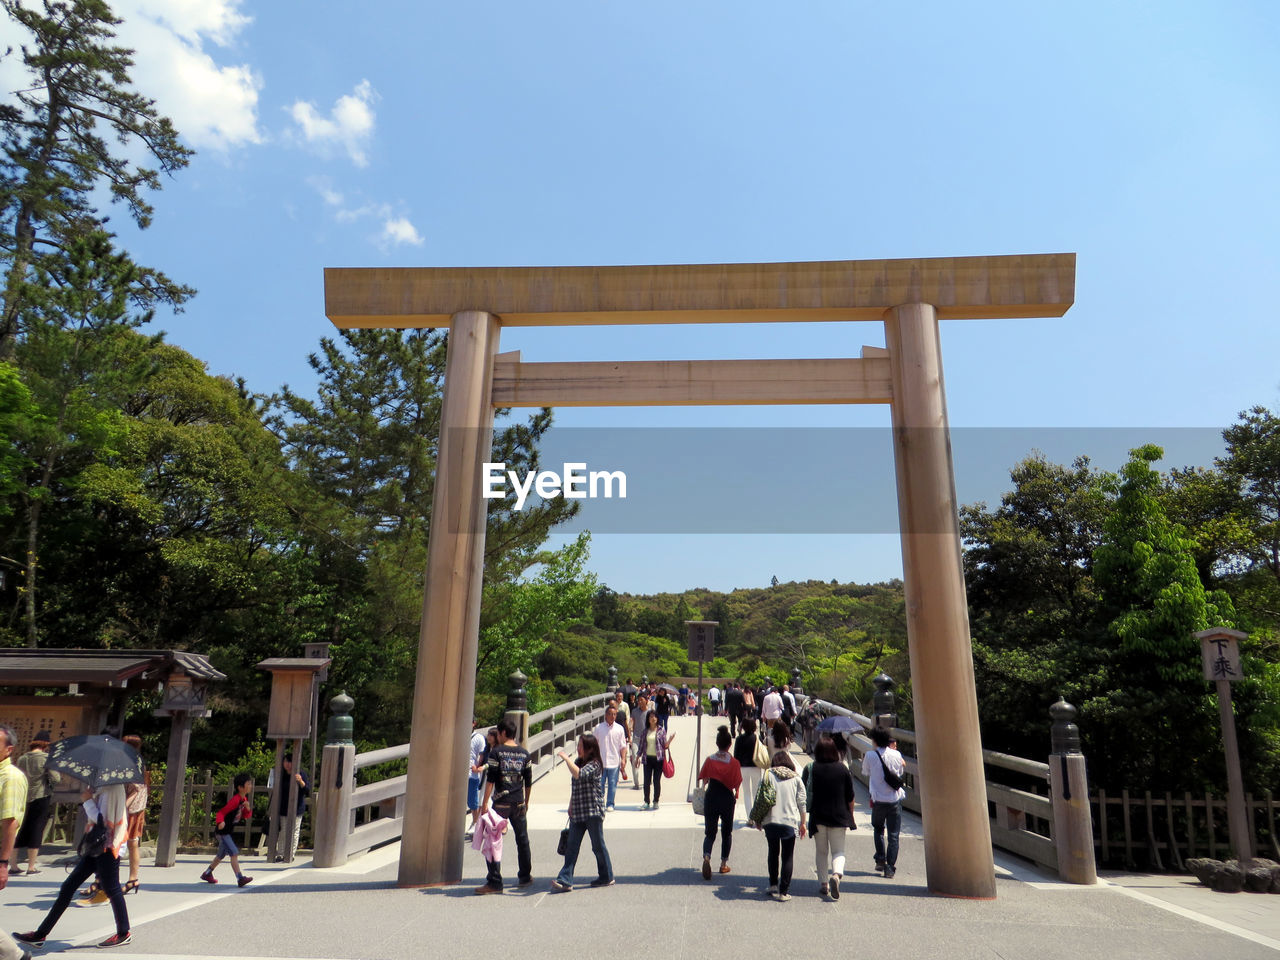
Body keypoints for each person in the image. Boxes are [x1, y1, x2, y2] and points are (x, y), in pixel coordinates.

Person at [15, 773, 132, 949]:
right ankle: (40, 934)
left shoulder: (111, 789)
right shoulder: (105, 787)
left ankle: (124, 932)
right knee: (69, 887)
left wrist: (86, 800)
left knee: (112, 888)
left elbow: (102, 821)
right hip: (98, 846)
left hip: (107, 846)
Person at [476, 718, 532, 893]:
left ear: (503, 733)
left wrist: (485, 803)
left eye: (498, 733)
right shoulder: (525, 754)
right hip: (519, 801)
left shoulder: (496, 753)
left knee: (492, 840)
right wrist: (526, 802)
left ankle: (494, 881)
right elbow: (528, 782)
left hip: (500, 803)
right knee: (522, 839)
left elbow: (491, 780)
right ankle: (525, 876)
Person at [550, 734, 613, 891]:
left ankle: (606, 876)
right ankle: (565, 879)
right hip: (578, 811)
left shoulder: (595, 764)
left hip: (593, 811)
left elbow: (580, 774)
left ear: (590, 749)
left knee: (597, 846)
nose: (578, 749)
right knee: (572, 846)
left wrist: (566, 759)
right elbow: (576, 785)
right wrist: (571, 805)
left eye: (580, 746)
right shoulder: (578, 762)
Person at [805, 735, 856, 900]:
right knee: (838, 851)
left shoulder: (812, 768)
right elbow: (850, 796)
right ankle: (836, 874)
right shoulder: (842, 769)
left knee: (821, 852)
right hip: (839, 816)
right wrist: (851, 815)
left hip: (818, 816)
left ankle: (824, 884)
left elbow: (803, 791)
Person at [0, 724, 34, 960]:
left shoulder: (11, 777)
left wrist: (3, 863)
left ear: (8, 749)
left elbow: (10, 822)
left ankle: (14, 955)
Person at [757, 750, 806, 901]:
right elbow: (802, 803)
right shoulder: (796, 778)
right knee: (787, 856)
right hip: (789, 821)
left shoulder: (767, 775)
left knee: (773, 852)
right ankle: (783, 892)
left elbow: (760, 798)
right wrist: (803, 823)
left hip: (770, 820)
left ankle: (772, 885)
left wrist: (758, 819)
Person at [696, 726, 741, 880]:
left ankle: (707, 857)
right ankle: (723, 865)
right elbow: (737, 783)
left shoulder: (710, 760)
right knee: (726, 832)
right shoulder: (734, 763)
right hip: (727, 799)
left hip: (711, 797)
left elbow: (704, 778)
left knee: (710, 832)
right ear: (729, 745)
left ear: (717, 743)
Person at [13, 731, 59, 876]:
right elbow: (56, 778)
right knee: (36, 829)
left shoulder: (22, 758)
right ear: (46, 744)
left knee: (20, 829)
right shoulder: (46, 758)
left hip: (23, 796)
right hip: (41, 796)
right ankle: (31, 866)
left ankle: (13, 864)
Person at [862, 726, 906, 878]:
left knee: (878, 829)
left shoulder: (870, 755)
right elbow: (899, 773)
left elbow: (865, 772)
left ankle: (880, 859)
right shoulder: (897, 754)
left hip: (878, 799)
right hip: (894, 799)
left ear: (874, 740)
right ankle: (890, 867)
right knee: (894, 835)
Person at [200, 773, 254, 887]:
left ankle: (207, 873)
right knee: (234, 852)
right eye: (248, 784)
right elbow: (221, 812)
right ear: (240, 787)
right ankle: (240, 878)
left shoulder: (243, 799)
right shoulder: (235, 800)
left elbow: (245, 816)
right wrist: (220, 822)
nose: (250, 786)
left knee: (221, 854)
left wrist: (248, 808)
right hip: (223, 832)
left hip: (227, 831)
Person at [120, 735, 148, 894]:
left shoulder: (128, 761)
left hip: (130, 805)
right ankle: (133, 878)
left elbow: (134, 788)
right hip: (138, 805)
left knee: (120, 843)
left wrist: (122, 808)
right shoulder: (139, 760)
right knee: (132, 843)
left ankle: (105, 881)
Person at [270, 753, 310, 862]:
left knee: (294, 831)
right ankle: (281, 853)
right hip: (283, 807)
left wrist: (300, 781)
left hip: (297, 808)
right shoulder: (280, 774)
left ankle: (291, 853)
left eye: (290, 761)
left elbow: (307, 790)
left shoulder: (301, 773)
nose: (288, 764)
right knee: (283, 830)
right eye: (286, 761)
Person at [591, 704, 630, 812]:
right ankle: (600, 803)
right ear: (605, 715)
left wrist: (623, 759)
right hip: (601, 762)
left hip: (614, 761)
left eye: (614, 714)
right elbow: (593, 744)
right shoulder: (599, 728)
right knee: (600, 785)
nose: (612, 716)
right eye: (610, 714)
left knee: (612, 784)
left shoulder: (620, 729)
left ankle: (610, 803)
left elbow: (623, 746)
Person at [638, 710, 675, 810]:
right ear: (648, 719)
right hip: (647, 759)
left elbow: (664, 746)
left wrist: (670, 740)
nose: (653, 718)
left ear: (657, 718)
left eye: (655, 716)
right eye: (651, 717)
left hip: (658, 759)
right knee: (646, 781)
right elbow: (641, 746)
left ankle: (656, 801)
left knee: (656, 781)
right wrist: (637, 757)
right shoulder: (645, 731)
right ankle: (646, 801)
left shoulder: (661, 730)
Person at [733, 717, 768, 821]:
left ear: (743, 727)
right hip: (756, 767)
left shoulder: (739, 739)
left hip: (743, 768)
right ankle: (757, 816)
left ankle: (749, 817)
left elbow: (736, 756)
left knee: (747, 792)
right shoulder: (757, 738)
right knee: (756, 791)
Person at [467, 719, 486, 840]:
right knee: (468, 801)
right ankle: (475, 823)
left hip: (472, 774)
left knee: (473, 801)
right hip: (459, 773)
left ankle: (475, 823)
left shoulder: (478, 737)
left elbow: (482, 754)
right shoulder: (459, 734)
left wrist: (478, 766)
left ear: (474, 723)